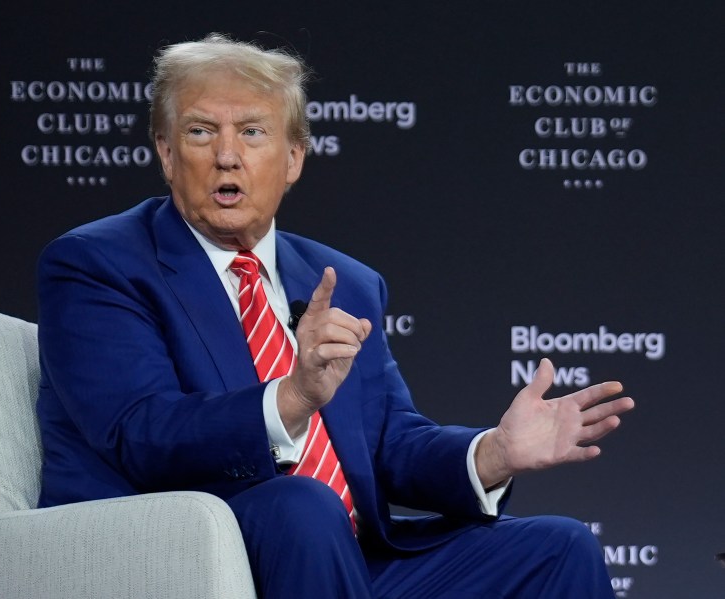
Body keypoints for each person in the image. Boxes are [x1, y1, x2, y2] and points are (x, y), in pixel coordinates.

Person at [36, 33, 635, 598]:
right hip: (194, 552)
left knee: (561, 547)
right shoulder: (99, 264)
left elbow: (390, 443)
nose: (226, 157)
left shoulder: (343, 281)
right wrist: (293, 397)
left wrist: (493, 454)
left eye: (252, 133)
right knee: (301, 504)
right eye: (199, 132)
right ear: (166, 154)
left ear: (293, 158)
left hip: (348, 558)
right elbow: (142, 433)